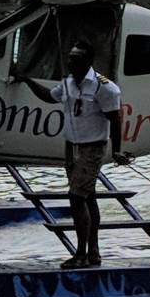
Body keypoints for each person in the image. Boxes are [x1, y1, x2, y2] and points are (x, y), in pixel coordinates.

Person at [45, 39, 120, 266]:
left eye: (76, 58)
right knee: (88, 196)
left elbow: (115, 120)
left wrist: (116, 151)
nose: (70, 62)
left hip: (92, 146)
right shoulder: (68, 83)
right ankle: (94, 251)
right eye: (70, 57)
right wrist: (25, 80)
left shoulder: (104, 86)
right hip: (72, 146)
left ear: (88, 61)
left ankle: (81, 254)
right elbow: (50, 96)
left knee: (76, 197)